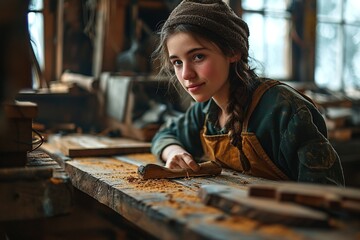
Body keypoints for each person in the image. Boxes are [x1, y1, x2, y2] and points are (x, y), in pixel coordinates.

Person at [151, 0, 345, 185]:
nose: (186, 74)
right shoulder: (204, 112)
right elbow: (164, 134)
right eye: (177, 62)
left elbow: (327, 194)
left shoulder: (284, 109)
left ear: (233, 52)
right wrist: (173, 151)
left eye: (198, 56)